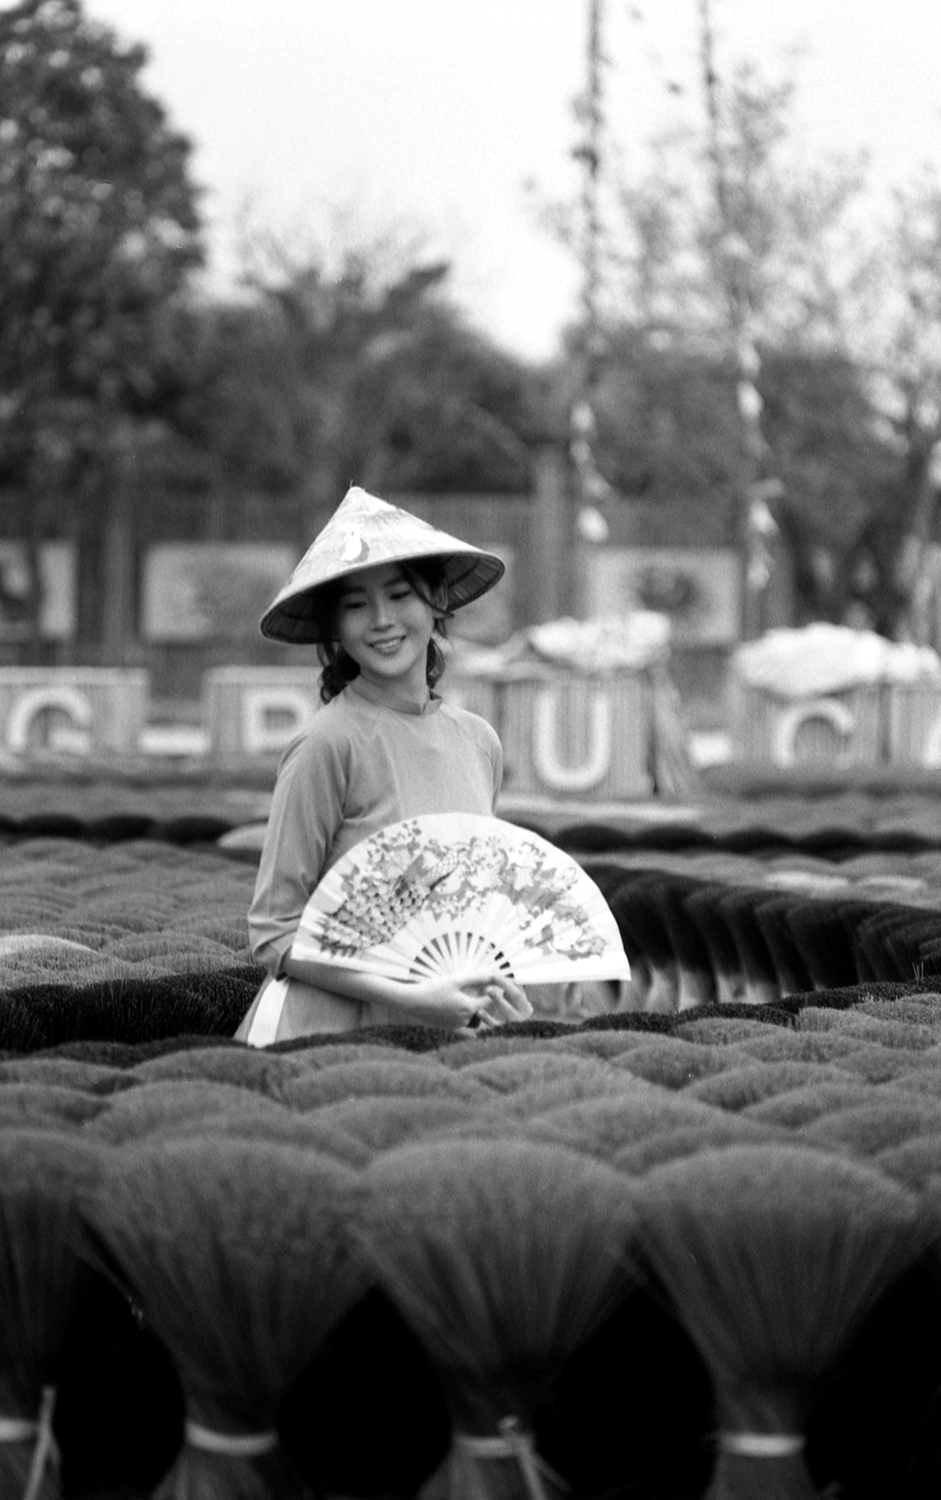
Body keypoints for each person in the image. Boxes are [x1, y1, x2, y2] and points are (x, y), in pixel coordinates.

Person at [236, 485, 534, 1045]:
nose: (380, 620)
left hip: (438, 1029)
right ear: (335, 624)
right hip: (320, 1037)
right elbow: (274, 932)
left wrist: (494, 989)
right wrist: (406, 996)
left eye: (399, 595)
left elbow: (462, 908)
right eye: (355, 605)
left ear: (437, 600)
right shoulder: (326, 744)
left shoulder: (478, 743)